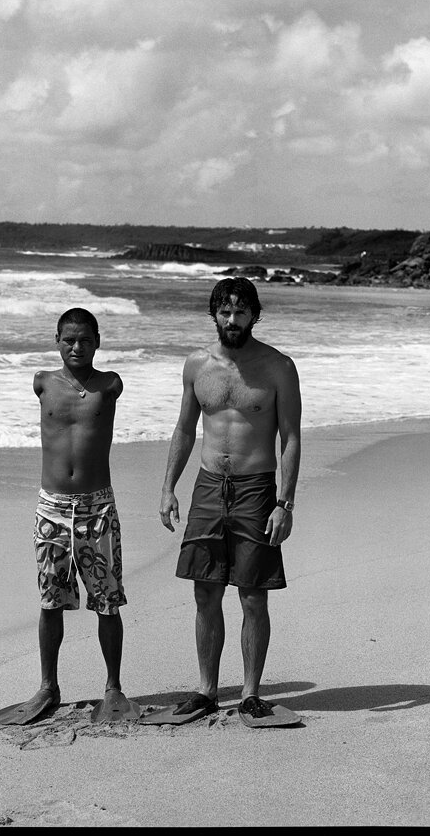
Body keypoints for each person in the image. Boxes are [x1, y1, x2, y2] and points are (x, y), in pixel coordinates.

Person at [159, 277, 301, 723]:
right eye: (224, 312)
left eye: (241, 312)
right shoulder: (196, 365)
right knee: (205, 592)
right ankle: (205, 690)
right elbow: (184, 429)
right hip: (207, 486)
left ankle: (252, 694)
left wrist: (285, 502)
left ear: (255, 315)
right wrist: (168, 487)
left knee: (253, 595)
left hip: (256, 489)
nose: (232, 320)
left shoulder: (278, 367)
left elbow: (290, 437)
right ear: (213, 314)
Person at [0, 307, 131, 724]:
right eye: (68, 339)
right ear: (57, 340)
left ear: (97, 342)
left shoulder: (110, 385)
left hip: (97, 508)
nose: (77, 347)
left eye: (85, 340)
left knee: (107, 601)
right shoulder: (43, 383)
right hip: (52, 507)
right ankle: (48, 687)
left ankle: (114, 689)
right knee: (50, 600)